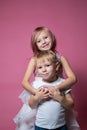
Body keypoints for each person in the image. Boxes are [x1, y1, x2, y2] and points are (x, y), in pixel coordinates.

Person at [13, 27, 80, 130]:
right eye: (39, 41)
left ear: (52, 38)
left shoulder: (60, 58)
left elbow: (73, 78)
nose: (43, 42)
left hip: (58, 92)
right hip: (40, 93)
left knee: (58, 118)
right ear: (35, 45)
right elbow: (24, 82)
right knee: (33, 122)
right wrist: (36, 92)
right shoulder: (35, 59)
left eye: (45, 38)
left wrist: (56, 88)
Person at [29, 50, 80, 130]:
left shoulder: (63, 83)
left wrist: (60, 98)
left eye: (47, 65)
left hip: (60, 126)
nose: (44, 70)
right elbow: (31, 105)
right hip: (41, 126)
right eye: (40, 67)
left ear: (56, 67)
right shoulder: (36, 84)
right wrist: (37, 97)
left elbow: (71, 105)